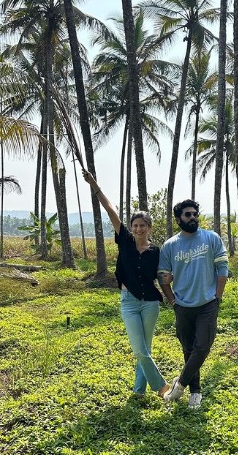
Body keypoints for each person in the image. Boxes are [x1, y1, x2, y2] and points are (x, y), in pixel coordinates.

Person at [83, 170, 169, 399]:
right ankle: (162, 387)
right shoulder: (126, 241)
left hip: (150, 303)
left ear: (149, 227)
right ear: (131, 228)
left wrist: (170, 285)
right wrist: (95, 185)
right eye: (135, 225)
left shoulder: (156, 251)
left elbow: (161, 276)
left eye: (143, 225)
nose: (139, 229)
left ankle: (138, 391)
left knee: (145, 349)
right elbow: (110, 209)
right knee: (139, 349)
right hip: (129, 302)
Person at [158, 199, 228, 409]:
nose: (192, 217)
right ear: (179, 219)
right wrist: (172, 300)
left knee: (203, 346)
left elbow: (223, 268)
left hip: (207, 303)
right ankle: (195, 393)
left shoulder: (211, 238)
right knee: (188, 349)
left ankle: (179, 386)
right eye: (187, 214)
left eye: (194, 213)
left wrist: (217, 297)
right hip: (182, 305)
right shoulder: (170, 245)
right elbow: (163, 275)